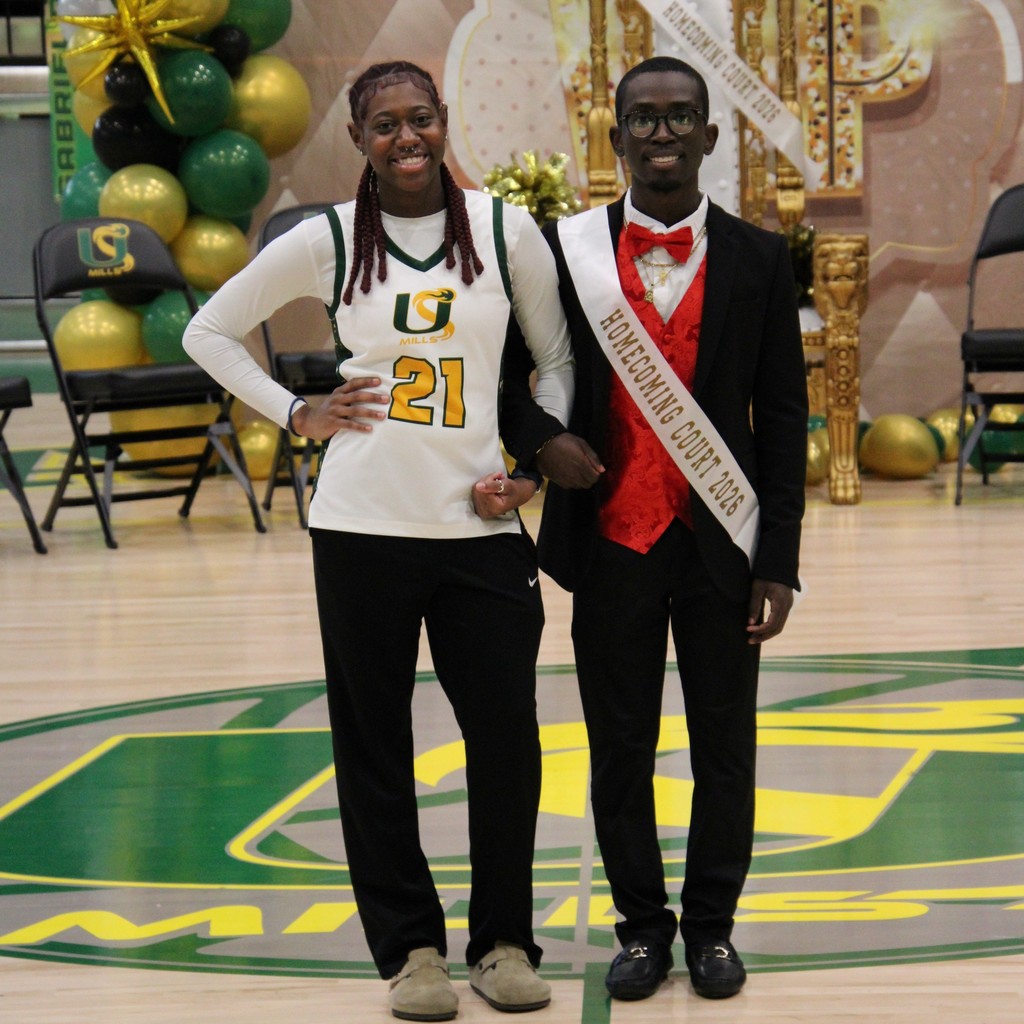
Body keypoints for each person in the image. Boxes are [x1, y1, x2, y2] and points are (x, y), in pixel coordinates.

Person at [183, 60, 573, 1021]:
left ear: (445, 123)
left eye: (422, 118)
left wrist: (529, 472)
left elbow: (557, 360)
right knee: (374, 746)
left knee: (506, 742)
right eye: (386, 124)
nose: (408, 138)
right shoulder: (324, 238)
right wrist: (296, 411)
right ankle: (411, 953)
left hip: (481, 529)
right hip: (362, 527)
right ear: (359, 139)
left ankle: (505, 944)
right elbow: (209, 330)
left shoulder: (503, 229)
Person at [500, 56, 807, 1002]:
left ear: (711, 136)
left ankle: (712, 930)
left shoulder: (760, 257)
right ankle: (641, 929)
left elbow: (783, 418)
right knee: (620, 747)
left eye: (680, 117)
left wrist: (779, 559)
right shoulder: (566, 253)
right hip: (611, 544)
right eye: (644, 118)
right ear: (617, 137)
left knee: (726, 746)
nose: (662, 132)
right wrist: (543, 442)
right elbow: (509, 380)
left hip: (723, 546)